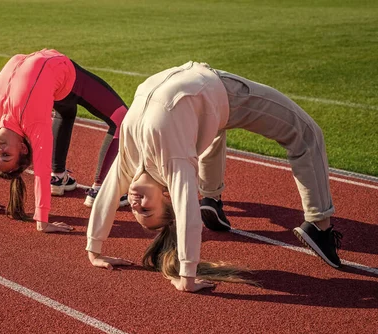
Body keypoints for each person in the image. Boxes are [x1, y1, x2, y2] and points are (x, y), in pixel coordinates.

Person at [86, 61, 342, 292]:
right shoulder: (173, 162)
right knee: (307, 133)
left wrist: (94, 249)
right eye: (146, 210)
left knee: (208, 131)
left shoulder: (132, 157)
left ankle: (211, 198)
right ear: (167, 196)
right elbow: (187, 212)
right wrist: (187, 275)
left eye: (136, 212)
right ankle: (320, 226)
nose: (134, 205)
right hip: (227, 96)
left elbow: (108, 192)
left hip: (200, 104)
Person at [0, 49, 129, 233]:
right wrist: (42, 221)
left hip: (53, 83)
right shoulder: (34, 123)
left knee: (66, 111)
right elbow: (40, 170)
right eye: (6, 155)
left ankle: (58, 177)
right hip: (67, 77)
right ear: (23, 148)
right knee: (122, 118)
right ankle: (101, 188)